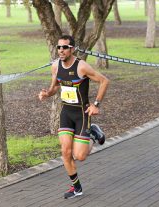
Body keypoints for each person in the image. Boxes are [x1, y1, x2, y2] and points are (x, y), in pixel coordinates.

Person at [38, 35, 109, 199]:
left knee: (80, 156)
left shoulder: (82, 67)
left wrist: (96, 105)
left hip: (82, 115)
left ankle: (93, 133)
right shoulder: (55, 66)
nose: (61, 50)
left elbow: (104, 81)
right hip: (66, 113)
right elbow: (54, 87)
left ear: (72, 49)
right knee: (65, 152)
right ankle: (76, 188)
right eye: (59, 47)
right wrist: (47, 94)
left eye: (64, 47)